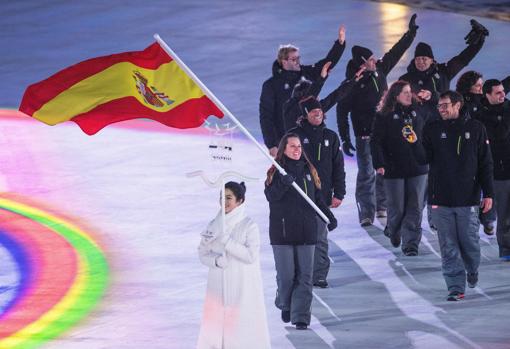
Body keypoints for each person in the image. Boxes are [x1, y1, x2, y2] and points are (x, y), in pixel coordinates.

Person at [337, 13, 419, 226]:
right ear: (363, 64)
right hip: (365, 135)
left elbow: (396, 52)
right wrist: (345, 138)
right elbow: (341, 111)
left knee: (384, 168)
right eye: (371, 59)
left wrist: (410, 34)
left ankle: (381, 205)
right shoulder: (351, 84)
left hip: (385, 132)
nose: (376, 60)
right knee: (366, 173)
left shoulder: (380, 70)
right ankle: (366, 211)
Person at [411, 90, 494, 301]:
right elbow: (423, 159)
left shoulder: (476, 128)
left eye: (446, 105)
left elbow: (485, 163)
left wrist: (489, 194)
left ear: (458, 105)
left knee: (469, 243)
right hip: (440, 199)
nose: (442, 109)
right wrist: (414, 144)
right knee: (448, 245)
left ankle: (472, 269)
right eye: (439, 106)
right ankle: (455, 286)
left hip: (468, 199)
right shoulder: (432, 128)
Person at [264, 133, 337, 330]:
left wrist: (328, 217)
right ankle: (286, 303)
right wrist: (283, 182)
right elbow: (270, 196)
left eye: (298, 146)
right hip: (283, 233)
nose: (297, 150)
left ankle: (301, 316)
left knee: (305, 276)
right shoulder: (276, 172)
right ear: (284, 150)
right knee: (287, 276)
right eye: (292, 146)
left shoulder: (309, 171)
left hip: (307, 232)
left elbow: (318, 200)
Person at [197, 181, 271, 348]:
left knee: (239, 331)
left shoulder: (249, 225)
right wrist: (215, 261)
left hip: (241, 287)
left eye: (229, 197)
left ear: (240, 200)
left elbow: (251, 255)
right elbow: (202, 253)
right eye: (222, 197)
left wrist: (228, 243)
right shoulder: (214, 225)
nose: (224, 201)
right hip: (217, 288)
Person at [260, 25, 346, 157]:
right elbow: (266, 117)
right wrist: (271, 144)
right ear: (283, 61)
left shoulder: (305, 73)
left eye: (298, 58)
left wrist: (339, 45)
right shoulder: (271, 86)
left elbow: (325, 65)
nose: (298, 62)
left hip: (308, 137)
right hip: (285, 141)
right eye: (294, 59)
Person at [289, 97, 346, 288]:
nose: (318, 114)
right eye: (314, 112)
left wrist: (340, 192)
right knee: (300, 237)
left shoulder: (331, 136)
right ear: (305, 114)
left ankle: (319, 274)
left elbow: (338, 166)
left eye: (320, 111)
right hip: (299, 195)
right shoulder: (294, 136)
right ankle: (300, 273)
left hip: (322, 196)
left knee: (320, 237)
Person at [371, 81, 432, 256]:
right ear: (395, 95)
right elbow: (376, 141)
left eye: (409, 91)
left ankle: (411, 244)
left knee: (415, 206)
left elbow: (435, 111)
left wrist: (431, 96)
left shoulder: (419, 110)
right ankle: (394, 229)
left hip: (418, 167)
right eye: (404, 92)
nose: (408, 95)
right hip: (393, 168)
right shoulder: (384, 115)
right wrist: (379, 163)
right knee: (396, 207)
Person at [399, 19, 489, 107]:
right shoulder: (406, 79)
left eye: (424, 58)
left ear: (431, 60)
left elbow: (463, 59)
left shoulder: (444, 71)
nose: (420, 62)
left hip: (444, 116)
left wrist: (480, 39)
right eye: (417, 59)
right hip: (419, 119)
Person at [476, 79, 510, 260]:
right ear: (487, 95)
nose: (502, 95)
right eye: (497, 92)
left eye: (503, 91)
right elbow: (499, 134)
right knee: (504, 213)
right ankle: (506, 249)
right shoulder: (481, 116)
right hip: (498, 172)